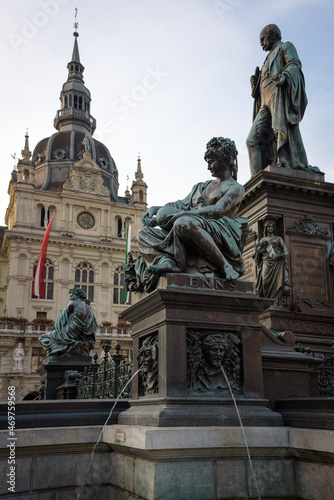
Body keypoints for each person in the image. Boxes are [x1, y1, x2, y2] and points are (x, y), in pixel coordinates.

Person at [127, 137, 247, 293]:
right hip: (191, 223)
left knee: (183, 223)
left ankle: (225, 266)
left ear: (225, 159)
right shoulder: (202, 186)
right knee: (143, 233)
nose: (208, 166)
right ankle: (167, 261)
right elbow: (180, 204)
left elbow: (218, 209)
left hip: (219, 227)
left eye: (211, 161)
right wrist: (156, 209)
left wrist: (185, 214)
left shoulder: (236, 188)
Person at [246, 24, 318, 176]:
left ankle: (285, 162)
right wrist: (256, 85)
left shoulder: (285, 46)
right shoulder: (266, 59)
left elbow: (294, 64)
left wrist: (285, 76)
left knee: (280, 131)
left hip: (278, 96)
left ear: (273, 35)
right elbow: (260, 89)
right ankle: (257, 180)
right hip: (264, 103)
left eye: (263, 39)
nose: (261, 43)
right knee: (252, 140)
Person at [39, 288, 98, 356]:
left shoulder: (73, 303)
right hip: (82, 335)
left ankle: (56, 347)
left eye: (72, 295)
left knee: (44, 337)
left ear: (76, 295)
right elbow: (92, 324)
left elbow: (62, 317)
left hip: (69, 332)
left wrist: (55, 328)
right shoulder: (89, 308)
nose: (70, 297)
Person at [253, 219, 291, 306]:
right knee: (265, 281)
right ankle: (268, 301)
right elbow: (258, 252)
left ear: (274, 228)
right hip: (266, 260)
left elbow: (285, 250)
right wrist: (259, 248)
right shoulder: (263, 239)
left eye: (272, 227)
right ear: (265, 228)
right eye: (268, 227)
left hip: (277, 262)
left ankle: (276, 302)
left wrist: (283, 255)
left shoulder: (278, 238)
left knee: (278, 282)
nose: (270, 228)